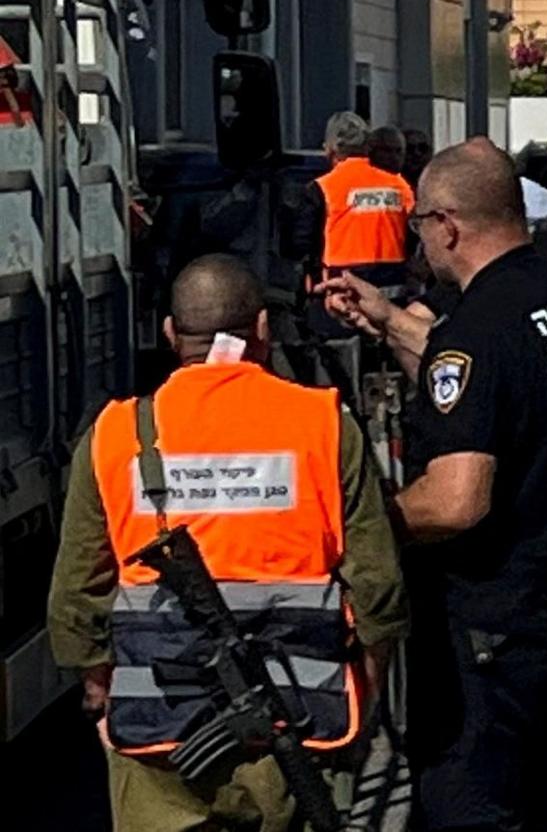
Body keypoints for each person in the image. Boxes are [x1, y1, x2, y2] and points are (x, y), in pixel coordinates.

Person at [320, 139, 547, 832]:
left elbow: (457, 500)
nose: (418, 239)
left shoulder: (480, 330)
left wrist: (361, 526)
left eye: (419, 223)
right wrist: (389, 321)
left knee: (471, 807)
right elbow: (489, 388)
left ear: (448, 225)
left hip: (494, 628)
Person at [46, 254, 406, 832]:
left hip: (156, 729)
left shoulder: (115, 434)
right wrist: (367, 692)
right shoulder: (324, 425)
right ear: (263, 329)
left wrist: (99, 690)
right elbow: (378, 587)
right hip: (296, 720)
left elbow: (74, 595)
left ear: (169, 333)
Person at [311, 111, 413, 290]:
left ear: (330, 149)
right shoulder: (398, 184)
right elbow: (416, 229)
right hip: (392, 286)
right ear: (367, 147)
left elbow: (300, 243)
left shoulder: (323, 187)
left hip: (341, 283)